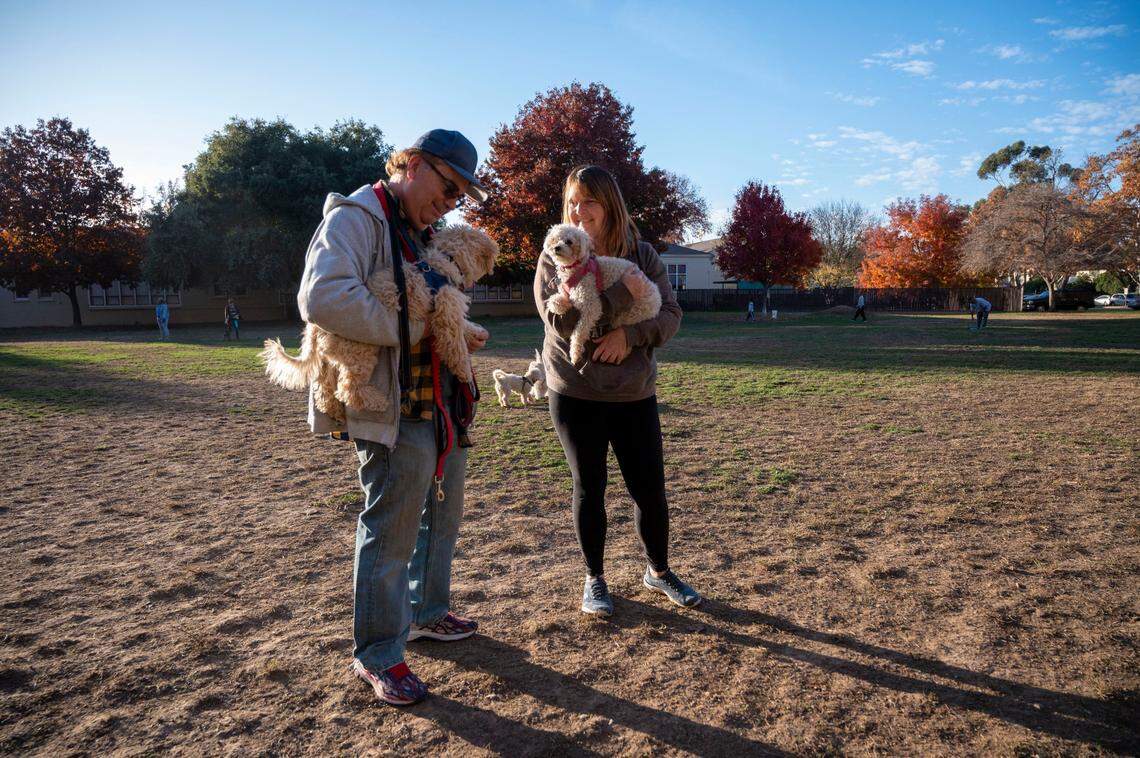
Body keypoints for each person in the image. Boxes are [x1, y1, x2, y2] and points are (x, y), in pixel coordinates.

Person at [296, 129, 489, 706]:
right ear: (408, 163)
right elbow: (322, 297)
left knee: (442, 514)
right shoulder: (356, 218)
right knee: (391, 529)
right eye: (446, 184)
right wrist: (416, 331)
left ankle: (429, 613)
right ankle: (378, 653)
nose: (451, 200)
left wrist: (453, 330)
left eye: (460, 193)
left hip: (441, 401)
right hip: (390, 404)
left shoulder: (424, 230)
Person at [535, 165, 701, 618]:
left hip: (632, 392)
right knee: (589, 485)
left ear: (610, 206)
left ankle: (659, 571)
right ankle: (595, 579)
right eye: (572, 200)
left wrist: (630, 337)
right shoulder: (555, 254)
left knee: (649, 488)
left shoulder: (642, 255)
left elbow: (670, 313)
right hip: (575, 389)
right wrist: (621, 301)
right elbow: (564, 321)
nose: (578, 209)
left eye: (588, 200)